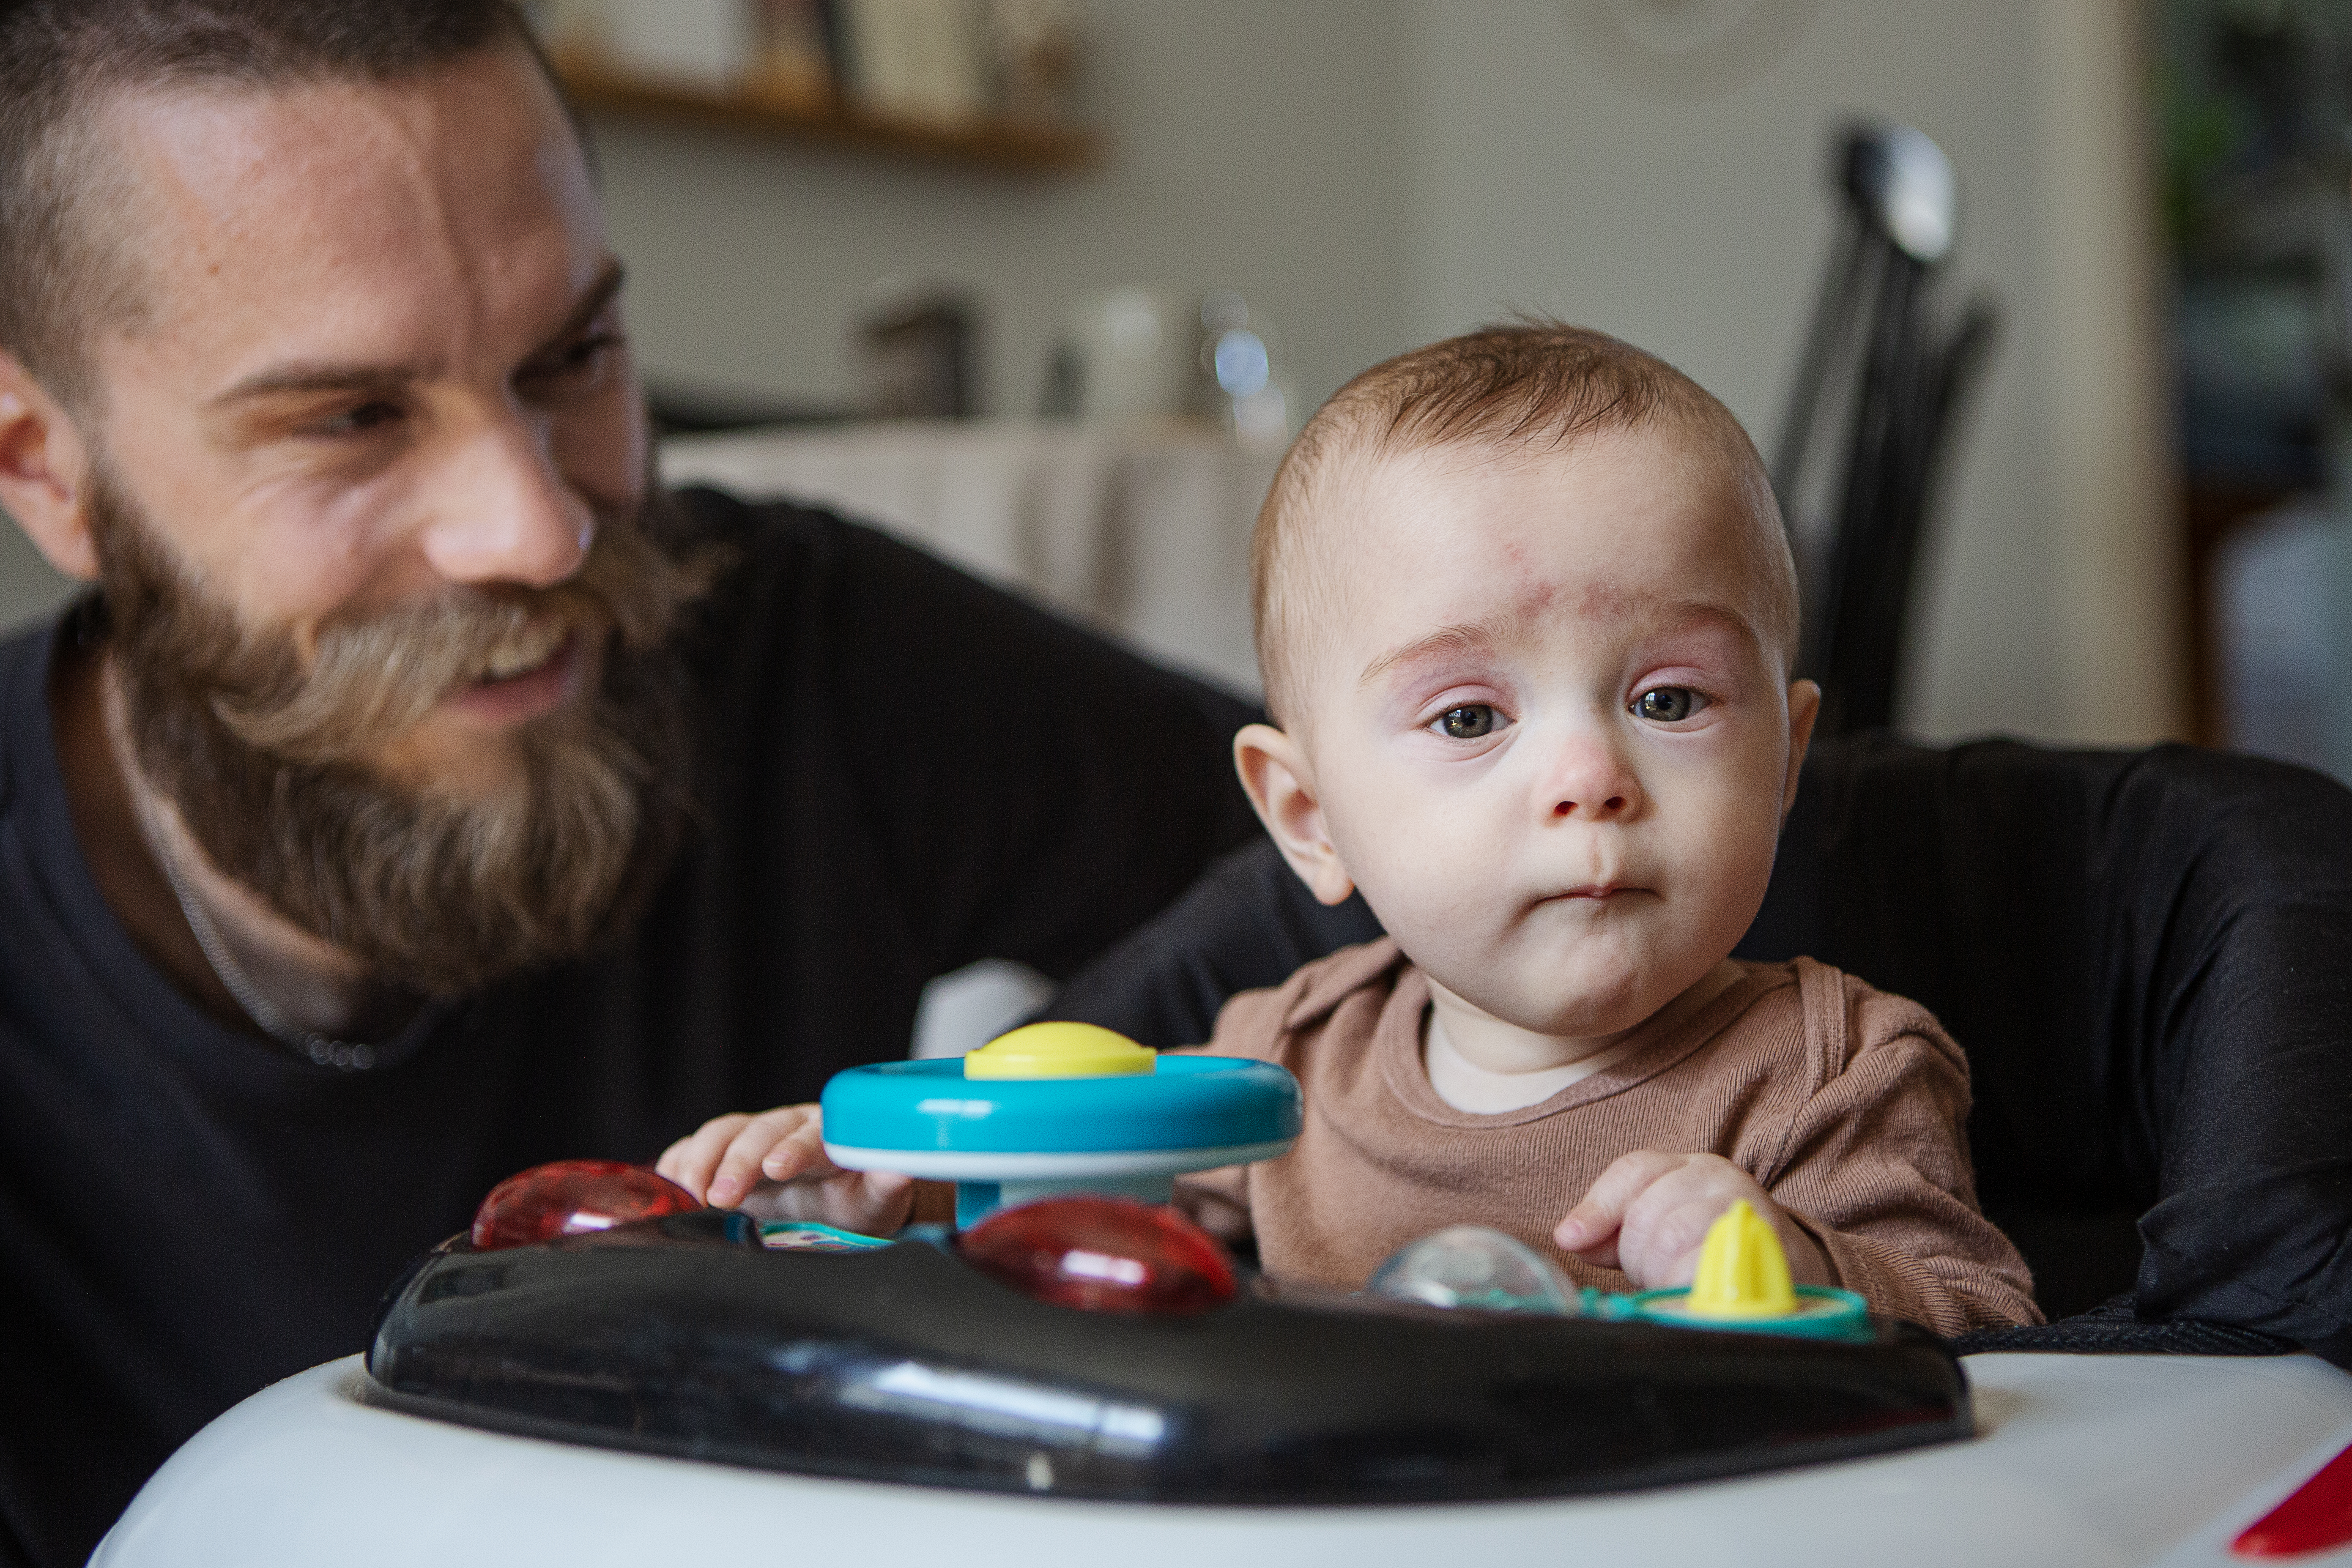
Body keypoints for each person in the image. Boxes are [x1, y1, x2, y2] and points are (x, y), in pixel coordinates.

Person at [0, 5, 1262, 1563]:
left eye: (575, 355)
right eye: (351, 418)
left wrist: (1005, 1141)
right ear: (45, 468)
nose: (541, 531)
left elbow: (1357, 870)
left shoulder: (805, 654)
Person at [665, 325, 2039, 1338]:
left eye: (1668, 698)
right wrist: (887, 1203)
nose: (1587, 776)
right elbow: (1090, 1251)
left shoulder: (1835, 1071)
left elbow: (1998, 1338)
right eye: (1465, 721)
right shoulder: (1279, 1063)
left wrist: (1788, 1260)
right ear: (1307, 822)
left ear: (1786, 758)